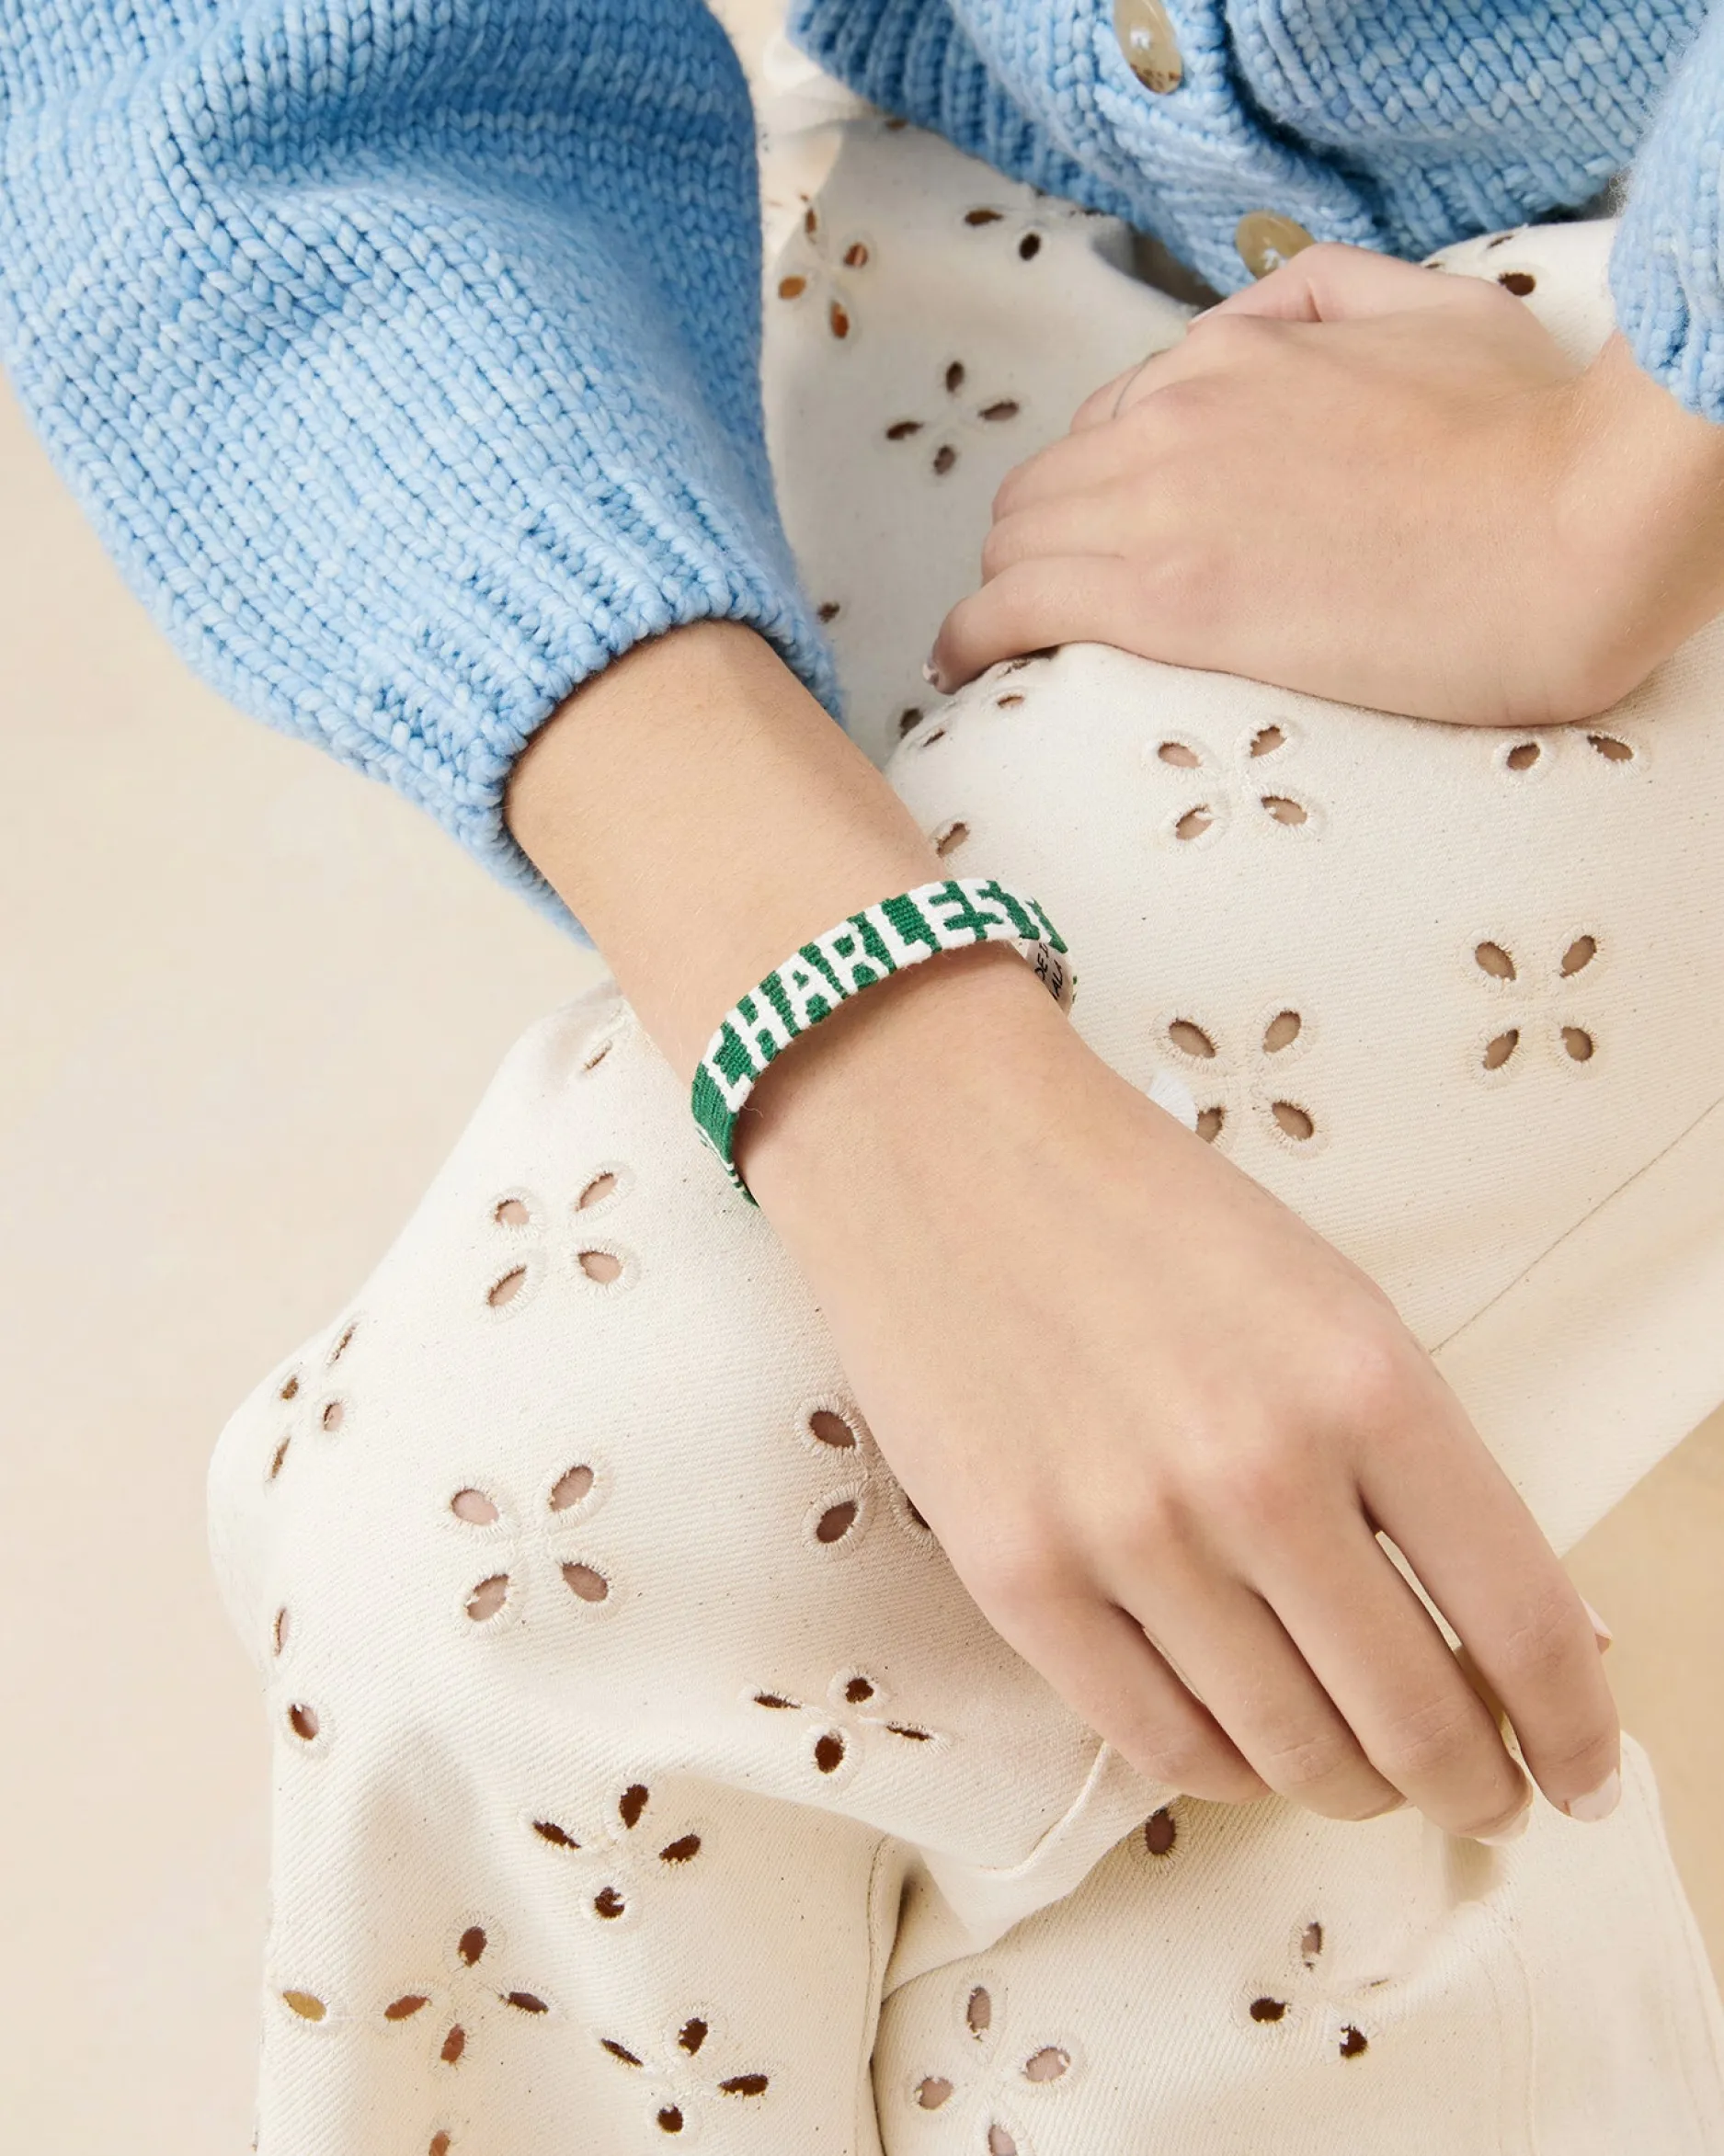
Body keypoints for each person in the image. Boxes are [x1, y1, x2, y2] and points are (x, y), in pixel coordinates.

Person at [6, 3, 1724, 2145]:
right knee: (1145, 1875)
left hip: (1658, 335)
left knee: (513, 1572)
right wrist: (874, 1050)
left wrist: (1617, 489)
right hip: (1023, 214)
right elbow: (223, 88)